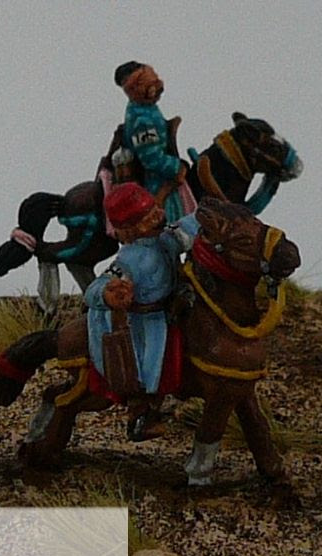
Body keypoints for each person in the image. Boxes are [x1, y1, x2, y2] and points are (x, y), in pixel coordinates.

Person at [84, 182, 199, 441]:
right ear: (129, 228)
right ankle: (140, 416)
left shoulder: (166, 239)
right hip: (145, 322)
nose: (157, 216)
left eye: (154, 210)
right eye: (147, 217)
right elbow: (96, 288)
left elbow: (190, 226)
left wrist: (211, 214)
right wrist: (108, 293)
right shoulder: (130, 259)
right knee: (147, 370)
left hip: (172, 308)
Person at [105, 61, 193, 223]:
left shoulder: (147, 108)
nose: (156, 88)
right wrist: (176, 167)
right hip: (157, 182)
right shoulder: (142, 119)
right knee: (177, 220)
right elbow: (151, 159)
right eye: (149, 84)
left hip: (162, 171)